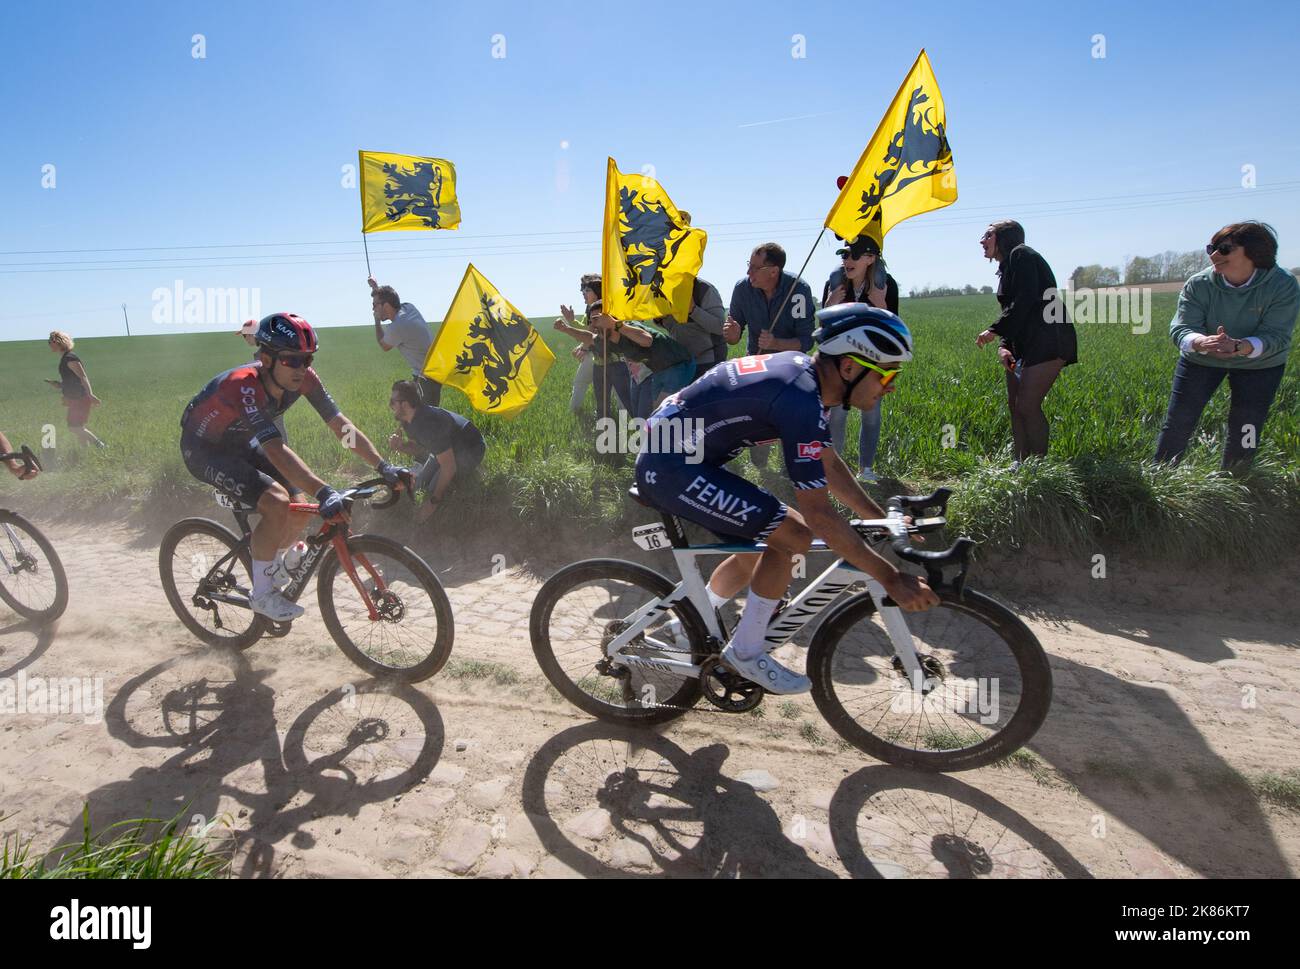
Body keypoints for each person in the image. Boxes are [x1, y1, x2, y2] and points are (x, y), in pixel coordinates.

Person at [636, 304, 938, 694]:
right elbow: (821, 515)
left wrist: (879, 518)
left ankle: (684, 625)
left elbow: (827, 463)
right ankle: (744, 654)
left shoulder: (807, 380)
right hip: (670, 467)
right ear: (849, 368)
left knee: (760, 547)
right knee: (793, 535)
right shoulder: (799, 398)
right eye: (888, 373)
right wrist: (891, 577)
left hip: (685, 454)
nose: (892, 385)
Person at [180, 313, 409, 622]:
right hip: (203, 450)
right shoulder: (244, 387)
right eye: (291, 360)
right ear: (266, 358)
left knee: (299, 507)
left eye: (307, 359)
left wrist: (383, 465)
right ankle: (262, 594)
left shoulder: (305, 379)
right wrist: (325, 491)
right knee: (275, 501)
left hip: (239, 444)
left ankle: (270, 566)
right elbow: (274, 449)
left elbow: (341, 427)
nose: (301, 368)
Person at [1154, 221, 1298, 468]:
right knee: (1179, 420)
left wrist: (1239, 346)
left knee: (1248, 425)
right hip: (1201, 358)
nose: (1214, 254)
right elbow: (1181, 328)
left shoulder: (1282, 285)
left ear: (1254, 252)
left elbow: (1277, 336)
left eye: (1224, 248)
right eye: (1211, 247)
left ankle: (1236, 481)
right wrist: (1201, 342)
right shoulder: (1199, 284)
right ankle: (1160, 477)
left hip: (1260, 364)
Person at [975, 220, 1078, 464]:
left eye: (988, 235)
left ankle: (1038, 469)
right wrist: (1004, 346)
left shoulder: (1022, 254)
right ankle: (1019, 463)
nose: (982, 241)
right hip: (1023, 345)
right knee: (1015, 406)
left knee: (1027, 405)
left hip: (1048, 340)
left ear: (1005, 236)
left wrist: (993, 331)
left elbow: (1026, 300)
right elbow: (1014, 309)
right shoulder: (1007, 265)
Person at [722, 243, 817, 467]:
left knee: (790, 419)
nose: (748, 273)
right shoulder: (742, 289)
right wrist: (732, 334)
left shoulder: (799, 290)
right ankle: (761, 465)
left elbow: (806, 341)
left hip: (790, 368)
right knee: (757, 419)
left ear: (773, 271)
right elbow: (733, 336)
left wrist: (777, 343)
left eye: (755, 268)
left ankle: (792, 469)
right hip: (756, 363)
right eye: (749, 265)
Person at [823, 236, 899, 483]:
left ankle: (865, 469)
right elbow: (824, 329)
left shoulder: (887, 286)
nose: (847, 260)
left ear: (870, 259)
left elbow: (894, 330)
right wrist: (829, 304)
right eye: (844, 255)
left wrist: (881, 305)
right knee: (837, 415)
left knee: (871, 413)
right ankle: (837, 470)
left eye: (853, 255)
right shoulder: (833, 285)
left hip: (872, 363)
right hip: (841, 363)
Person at [386, 380, 487, 523]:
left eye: (392, 401)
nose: (390, 406)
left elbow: (449, 466)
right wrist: (400, 446)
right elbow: (420, 449)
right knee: (419, 484)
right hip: (447, 450)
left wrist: (433, 502)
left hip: (471, 448)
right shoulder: (408, 420)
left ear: (405, 404)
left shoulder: (428, 425)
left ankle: (471, 477)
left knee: (434, 490)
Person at [586, 302, 696, 417]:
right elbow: (588, 337)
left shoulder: (628, 325)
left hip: (678, 365)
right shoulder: (609, 338)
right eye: (591, 320)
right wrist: (567, 329)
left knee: (660, 415)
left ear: (609, 317)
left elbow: (647, 340)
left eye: (596, 319)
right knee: (652, 416)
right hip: (658, 371)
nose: (593, 324)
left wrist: (615, 324)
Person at [554, 274, 634, 422]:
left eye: (587, 290)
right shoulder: (590, 309)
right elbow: (588, 332)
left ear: (597, 290)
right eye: (582, 290)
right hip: (598, 357)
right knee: (615, 393)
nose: (583, 293)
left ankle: (577, 414)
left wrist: (581, 344)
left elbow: (591, 333)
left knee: (616, 393)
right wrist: (573, 324)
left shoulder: (604, 309)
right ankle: (626, 423)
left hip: (610, 357)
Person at [368, 277, 440, 406]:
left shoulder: (398, 327)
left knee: (423, 421)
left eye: (374, 305)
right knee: (413, 416)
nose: (373, 309)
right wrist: (375, 288)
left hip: (426, 379)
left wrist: (377, 320)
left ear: (386, 306)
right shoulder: (408, 307)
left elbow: (383, 345)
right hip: (431, 374)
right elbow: (387, 298)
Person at [45, 331, 105, 449]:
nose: (48, 344)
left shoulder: (70, 358)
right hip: (75, 398)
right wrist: (59, 385)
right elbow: (73, 380)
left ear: (58, 342)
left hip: (80, 398)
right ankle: (86, 452)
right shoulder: (65, 358)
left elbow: (82, 377)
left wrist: (91, 394)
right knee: (78, 427)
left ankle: (100, 446)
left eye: (50, 341)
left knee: (74, 427)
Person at [239, 319, 287, 441]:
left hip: (271, 399)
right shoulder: (268, 348)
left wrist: (248, 367)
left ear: (251, 334)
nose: (245, 339)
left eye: (245, 336)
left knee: (274, 436)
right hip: (274, 397)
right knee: (276, 432)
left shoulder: (264, 352)